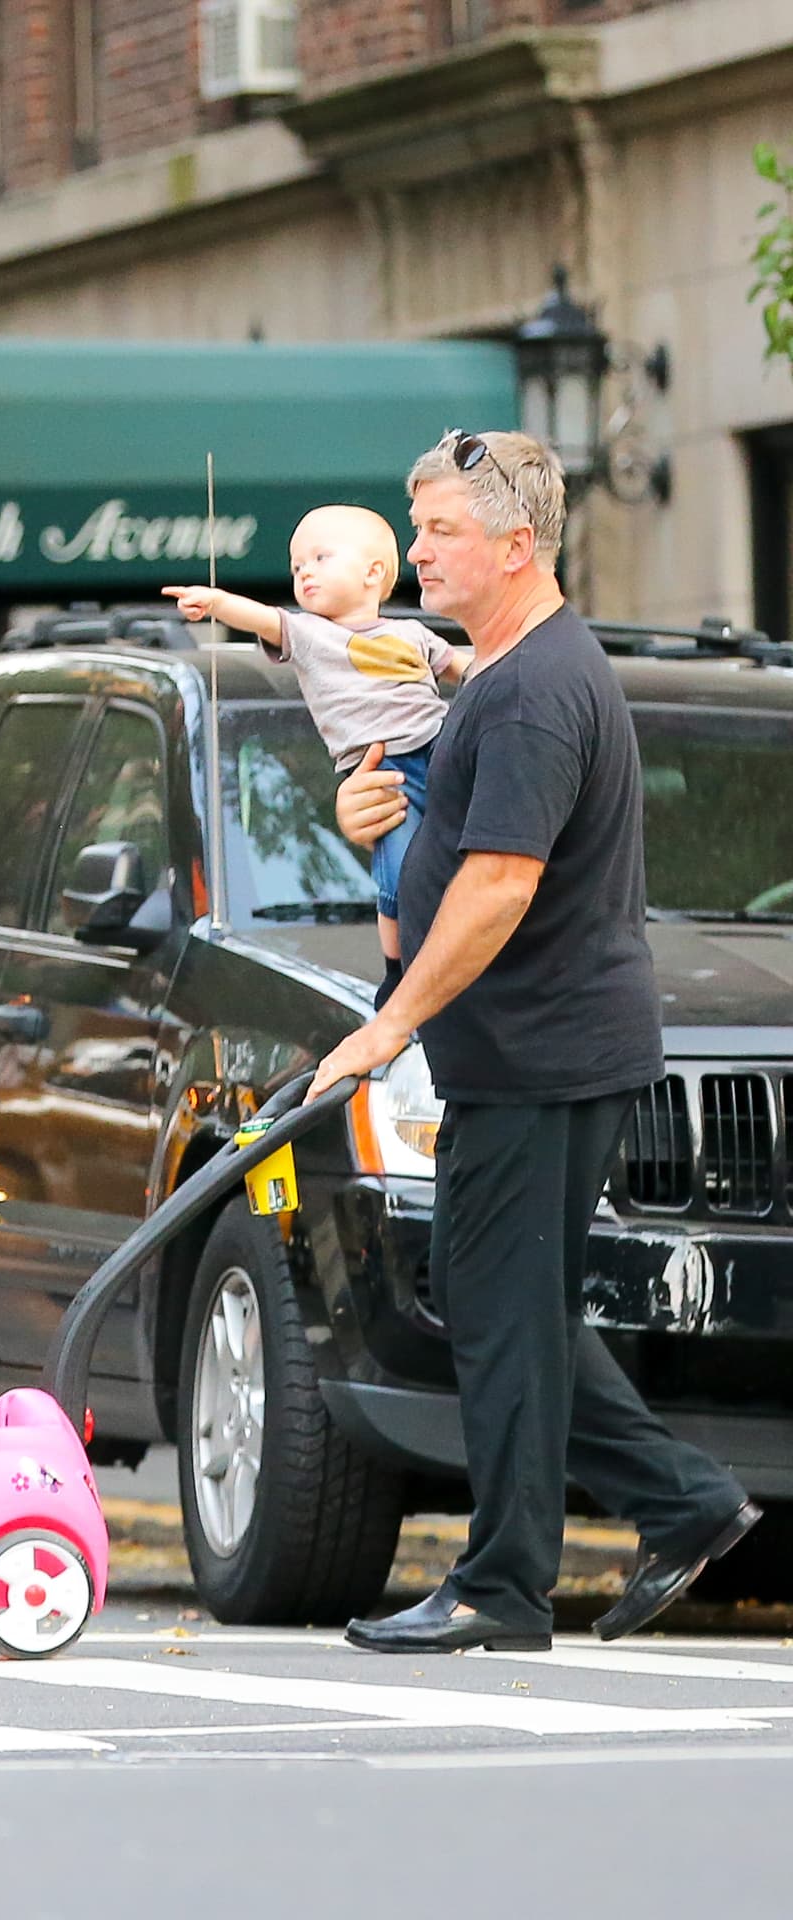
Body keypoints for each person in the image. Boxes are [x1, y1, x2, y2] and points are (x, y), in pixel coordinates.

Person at [307, 429, 757, 1653]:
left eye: (439, 532)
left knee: (500, 1309)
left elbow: (499, 886)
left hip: (537, 1051)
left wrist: (389, 1025)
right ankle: (687, 1502)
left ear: (515, 546)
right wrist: (383, 806)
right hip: (544, 1045)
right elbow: (466, 842)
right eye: (414, 531)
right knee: (505, 1300)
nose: (414, 554)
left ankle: (502, 1585)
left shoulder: (533, 694)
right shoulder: (514, 672)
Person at [163, 503, 464, 1007]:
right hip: (382, 771)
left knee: (458, 850)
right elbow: (262, 617)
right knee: (397, 871)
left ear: (373, 573)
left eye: (321, 557)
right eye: (297, 565)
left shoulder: (412, 634)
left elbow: (462, 668)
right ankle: (397, 969)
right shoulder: (310, 635)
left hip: (441, 745)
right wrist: (216, 602)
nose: (305, 572)